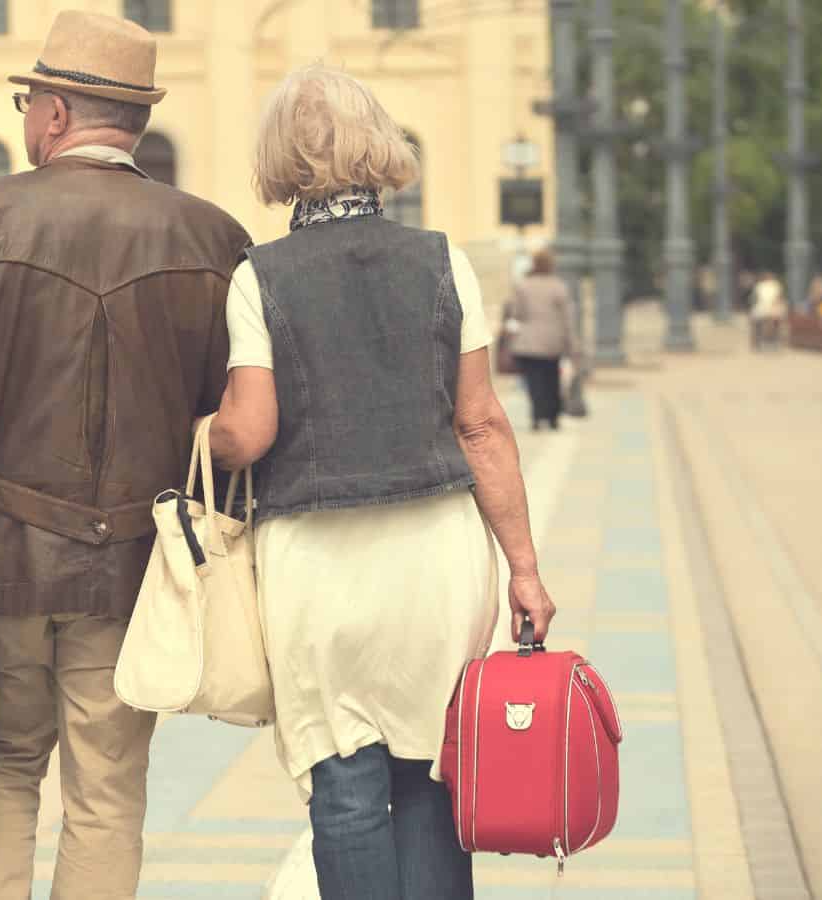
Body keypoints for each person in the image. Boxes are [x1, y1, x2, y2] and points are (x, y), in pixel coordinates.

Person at [0, 11, 249, 900]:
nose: (30, 116)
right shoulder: (213, 239)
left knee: (1, 770)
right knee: (108, 791)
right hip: (134, 575)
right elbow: (224, 420)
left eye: (33, 100)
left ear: (58, 115)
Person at [207, 64, 557, 900]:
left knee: (345, 787)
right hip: (433, 561)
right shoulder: (443, 264)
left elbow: (248, 432)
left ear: (278, 159)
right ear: (378, 146)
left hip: (316, 571)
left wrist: (202, 435)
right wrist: (525, 568)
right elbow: (481, 426)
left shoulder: (261, 275)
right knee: (433, 781)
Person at [505, 247, 580, 431]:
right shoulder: (558, 286)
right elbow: (567, 317)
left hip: (527, 342)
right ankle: (553, 417)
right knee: (552, 379)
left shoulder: (523, 286)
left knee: (533, 382)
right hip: (552, 342)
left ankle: (537, 417)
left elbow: (517, 313)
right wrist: (572, 343)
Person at [749, 271, 786, 350]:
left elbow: (778, 298)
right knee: (755, 319)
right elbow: (756, 299)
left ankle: (773, 340)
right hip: (761, 308)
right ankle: (757, 341)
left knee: (775, 319)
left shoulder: (776, 286)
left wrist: (774, 308)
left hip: (773, 308)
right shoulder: (760, 286)